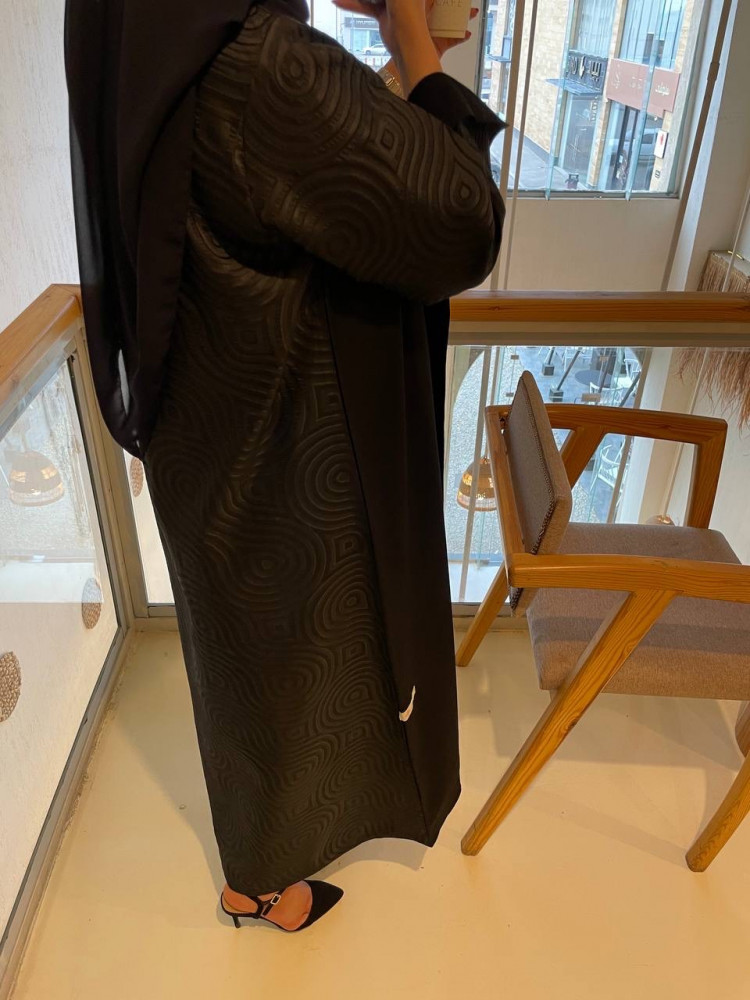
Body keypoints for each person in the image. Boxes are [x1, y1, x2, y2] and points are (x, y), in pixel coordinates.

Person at [65, 0, 504, 933]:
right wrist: (411, 39)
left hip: (206, 427)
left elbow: (281, 187)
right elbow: (462, 218)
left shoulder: (144, 45)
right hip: (283, 443)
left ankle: (252, 873)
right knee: (301, 664)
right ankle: (259, 882)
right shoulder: (260, 63)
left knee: (243, 668)